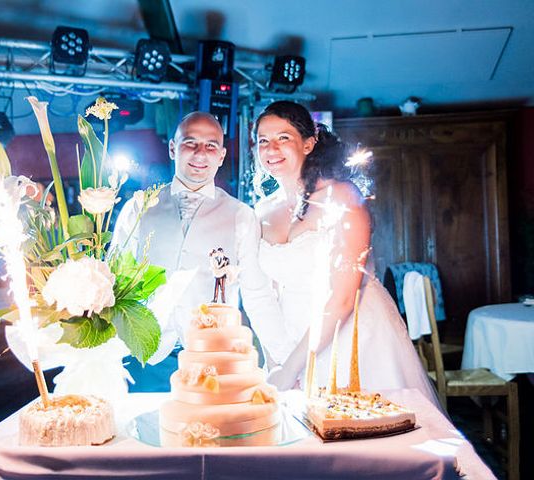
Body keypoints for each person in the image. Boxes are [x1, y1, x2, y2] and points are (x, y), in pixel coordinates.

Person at [253, 101, 439, 406]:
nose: (271, 148)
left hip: (352, 336)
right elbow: (267, 293)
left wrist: (292, 368)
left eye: (283, 138)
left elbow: (342, 299)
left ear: (309, 143)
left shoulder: (342, 196)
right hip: (289, 337)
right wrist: (276, 359)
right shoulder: (261, 211)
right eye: (263, 141)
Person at [111, 111, 294, 391]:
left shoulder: (240, 215)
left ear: (221, 156)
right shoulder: (139, 207)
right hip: (144, 359)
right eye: (190, 143)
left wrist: (286, 360)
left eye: (210, 146)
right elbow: (115, 284)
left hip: (213, 362)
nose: (200, 153)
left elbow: (257, 294)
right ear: (173, 148)